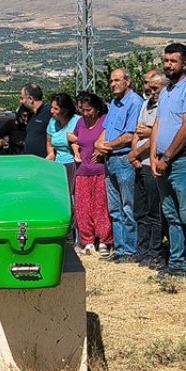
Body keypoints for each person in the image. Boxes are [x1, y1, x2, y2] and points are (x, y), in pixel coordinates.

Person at [152, 43, 186, 277]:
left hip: (183, 161)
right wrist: (154, 156)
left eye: (173, 61)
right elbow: (157, 124)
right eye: (166, 60)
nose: (168, 65)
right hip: (162, 162)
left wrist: (166, 157)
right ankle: (175, 262)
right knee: (171, 215)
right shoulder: (166, 91)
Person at [96, 68, 145, 262]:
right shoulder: (115, 104)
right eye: (111, 81)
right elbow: (106, 129)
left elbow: (129, 136)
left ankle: (131, 250)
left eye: (117, 80)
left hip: (124, 159)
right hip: (110, 160)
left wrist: (104, 146)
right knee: (115, 208)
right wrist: (99, 144)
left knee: (128, 206)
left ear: (128, 81)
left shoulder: (134, 102)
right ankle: (120, 249)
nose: (113, 84)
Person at [130, 70, 170, 269]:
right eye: (149, 87)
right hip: (140, 164)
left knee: (155, 212)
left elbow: (155, 134)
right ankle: (142, 248)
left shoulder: (164, 106)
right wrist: (133, 154)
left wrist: (139, 151)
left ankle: (155, 251)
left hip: (151, 163)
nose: (151, 91)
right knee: (141, 210)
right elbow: (139, 132)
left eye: (155, 88)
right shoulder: (146, 105)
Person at [71, 92, 113, 256]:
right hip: (83, 170)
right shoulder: (80, 123)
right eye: (83, 109)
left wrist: (101, 151)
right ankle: (87, 240)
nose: (85, 113)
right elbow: (75, 140)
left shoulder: (104, 121)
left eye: (89, 110)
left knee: (101, 206)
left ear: (96, 109)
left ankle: (104, 240)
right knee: (83, 207)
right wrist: (76, 151)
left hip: (100, 170)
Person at [45, 92, 81, 205]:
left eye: (55, 108)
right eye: (51, 107)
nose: (51, 111)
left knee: (73, 198)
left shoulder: (78, 121)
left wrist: (75, 139)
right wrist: (48, 160)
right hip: (57, 166)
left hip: (73, 164)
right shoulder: (52, 123)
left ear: (64, 110)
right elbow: (49, 144)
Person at [21, 83, 53, 158]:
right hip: (30, 161)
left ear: (30, 99)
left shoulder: (49, 112)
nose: (21, 102)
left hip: (44, 162)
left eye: (22, 98)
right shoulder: (31, 114)